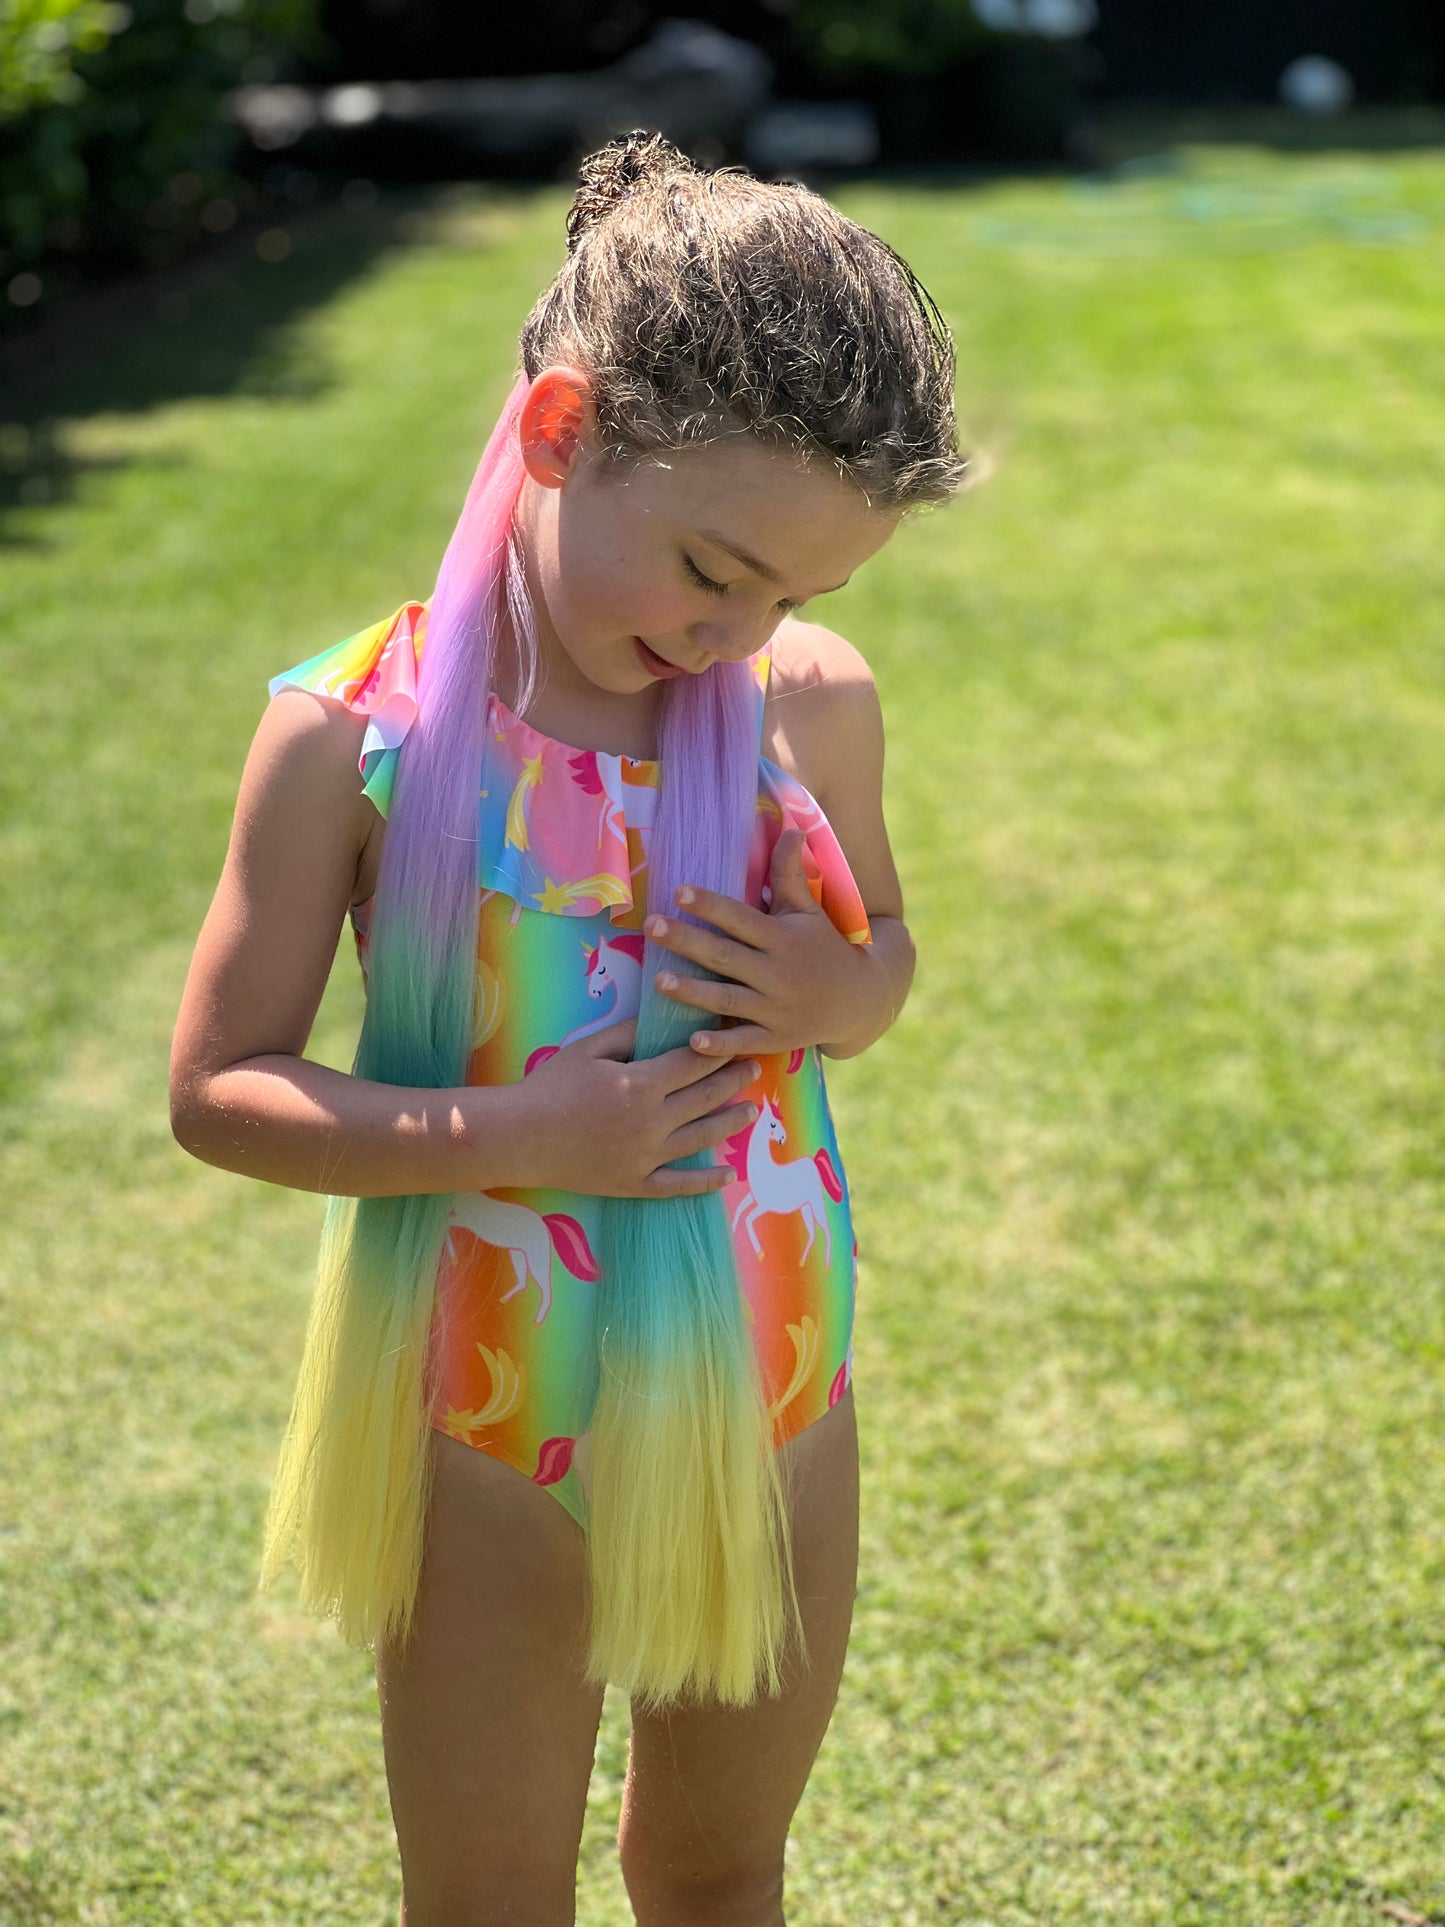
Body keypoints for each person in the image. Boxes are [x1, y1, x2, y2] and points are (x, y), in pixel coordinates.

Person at [170, 131, 966, 1927]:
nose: (733, 635)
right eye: (710, 569)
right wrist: (512, 1142)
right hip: (484, 1412)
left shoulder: (804, 713)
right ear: (556, 432)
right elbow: (218, 1090)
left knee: (716, 1871)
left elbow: (891, 952)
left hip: (775, 1386)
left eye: (790, 600)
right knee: (486, 1898)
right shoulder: (348, 736)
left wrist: (838, 992)